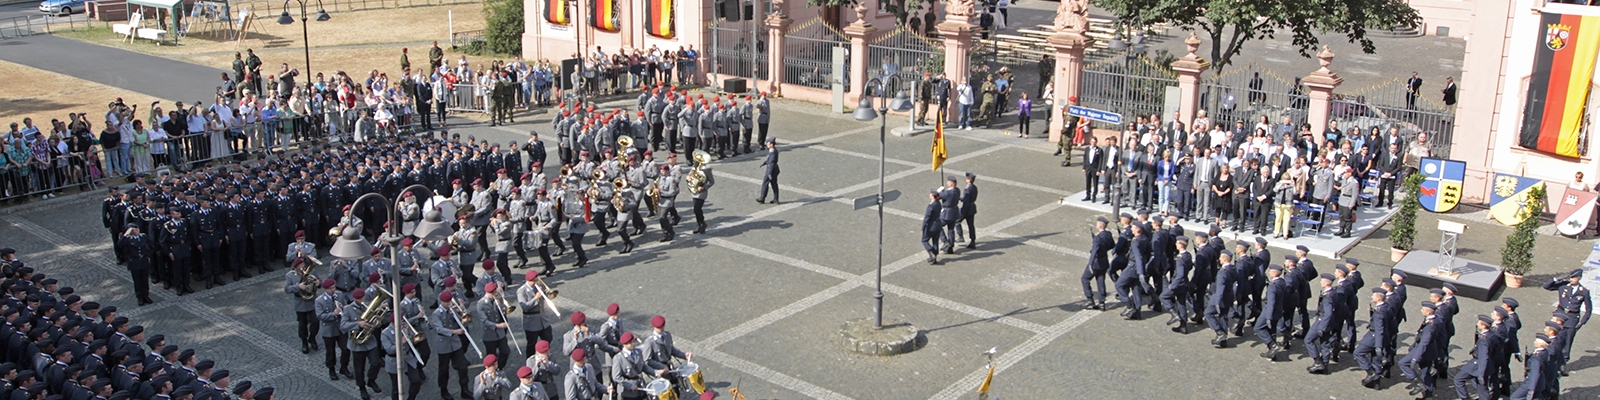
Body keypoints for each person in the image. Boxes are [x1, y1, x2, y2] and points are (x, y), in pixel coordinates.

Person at [340, 288, 382, 399]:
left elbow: (376, 321)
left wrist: (377, 323)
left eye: (362, 298)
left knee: (376, 363)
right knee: (359, 369)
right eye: (358, 299)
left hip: (370, 341)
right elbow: (343, 325)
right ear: (354, 298)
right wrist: (358, 324)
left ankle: (371, 380)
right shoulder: (348, 309)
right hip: (357, 343)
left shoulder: (368, 306)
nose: (361, 300)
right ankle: (362, 388)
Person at [432, 290, 472, 400]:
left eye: (450, 301)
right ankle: (443, 390)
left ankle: (465, 389)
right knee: (444, 370)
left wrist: (460, 312)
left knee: (463, 367)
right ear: (442, 302)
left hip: (455, 343)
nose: (449, 304)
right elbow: (440, 329)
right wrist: (455, 332)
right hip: (444, 345)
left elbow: (462, 321)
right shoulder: (437, 314)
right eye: (447, 302)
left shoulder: (452, 310)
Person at [1401, 301, 1443, 399]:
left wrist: (1416, 357)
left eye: (1423, 309)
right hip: (1430, 350)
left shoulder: (1430, 327)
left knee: (1403, 363)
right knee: (1425, 372)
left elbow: (1424, 343)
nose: (1421, 310)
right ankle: (1428, 395)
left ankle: (1418, 383)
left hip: (1423, 351)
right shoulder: (1435, 320)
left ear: (1428, 312)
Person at [118, 224, 155, 306]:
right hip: (134, 261)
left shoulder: (143, 236)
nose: (137, 231)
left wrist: (148, 256)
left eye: (137, 229)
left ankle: (146, 295)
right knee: (137, 281)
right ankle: (140, 297)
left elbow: (152, 246)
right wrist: (126, 234)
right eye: (134, 230)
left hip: (144, 260)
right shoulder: (128, 239)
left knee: (145, 279)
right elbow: (120, 244)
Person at [756, 138, 780, 204]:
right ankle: (776, 198)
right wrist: (765, 162)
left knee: (765, 183)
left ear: (772, 144)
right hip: (775, 170)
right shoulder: (773, 150)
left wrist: (769, 173)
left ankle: (762, 197)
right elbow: (770, 160)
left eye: (768, 143)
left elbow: (771, 162)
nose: (767, 144)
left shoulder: (772, 151)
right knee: (774, 184)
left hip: (771, 170)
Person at [921, 190, 943, 265]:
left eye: (930, 194)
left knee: (924, 240)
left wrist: (923, 227)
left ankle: (931, 253)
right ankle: (935, 258)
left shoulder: (931, 206)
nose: (929, 195)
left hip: (931, 225)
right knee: (935, 241)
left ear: (933, 196)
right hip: (938, 224)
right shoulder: (938, 204)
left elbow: (927, 217)